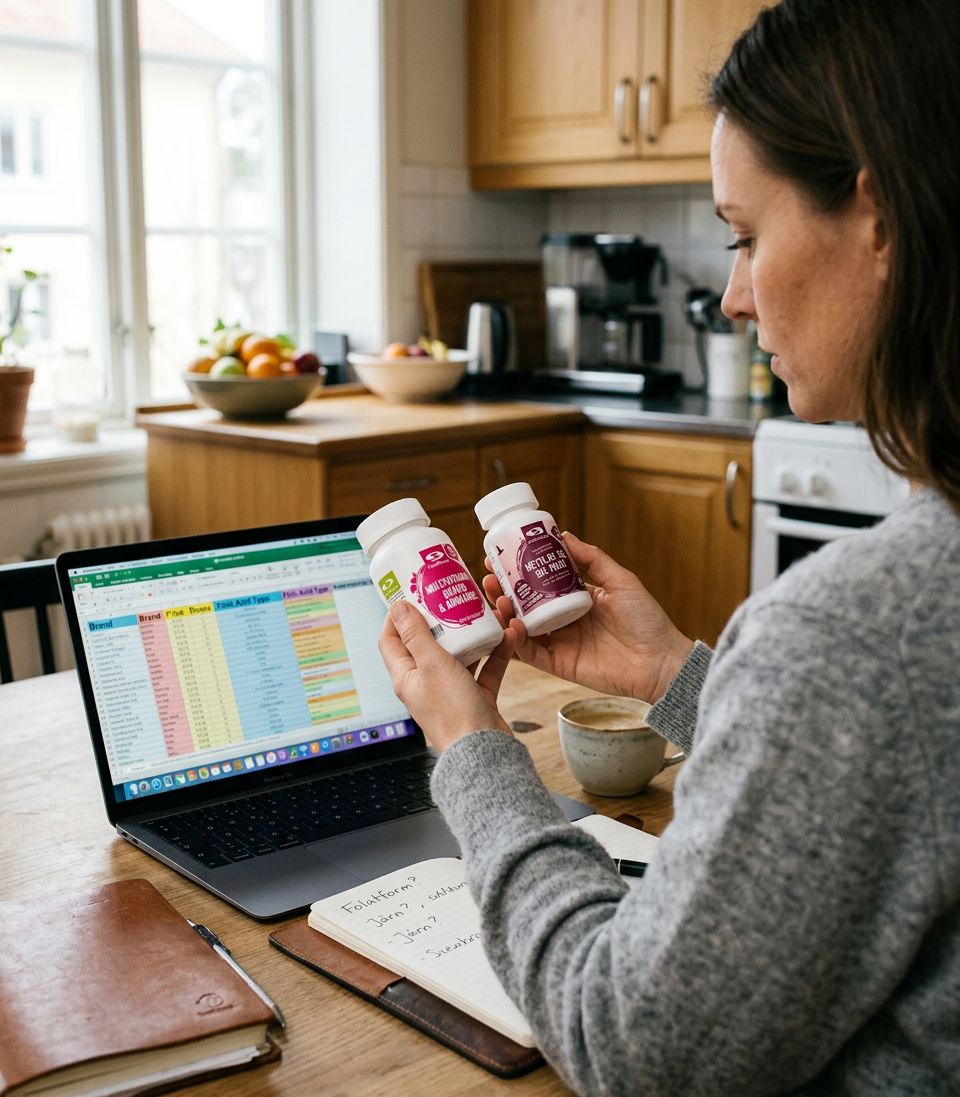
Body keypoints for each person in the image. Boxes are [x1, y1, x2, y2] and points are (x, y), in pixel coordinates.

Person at [379, 0, 959, 1092]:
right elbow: (905, 771)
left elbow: (631, 1044)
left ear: (876, 214)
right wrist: (678, 676)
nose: (733, 296)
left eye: (744, 236)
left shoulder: (854, 629)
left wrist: (474, 751)